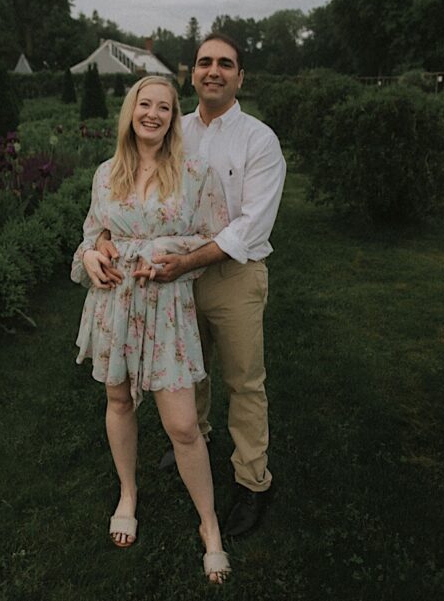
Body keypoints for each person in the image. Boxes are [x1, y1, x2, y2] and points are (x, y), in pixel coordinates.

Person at [94, 33, 286, 538]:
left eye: (225, 64)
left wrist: (181, 261)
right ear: (193, 74)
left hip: (231, 275)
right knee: (185, 372)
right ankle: (190, 439)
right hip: (167, 284)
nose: (213, 71)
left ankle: (250, 480)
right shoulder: (174, 130)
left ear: (240, 76)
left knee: (243, 380)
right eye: (204, 63)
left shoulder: (258, 139)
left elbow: (250, 226)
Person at [72, 76, 232, 583]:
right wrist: (93, 254)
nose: (154, 114)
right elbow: (92, 232)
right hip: (115, 303)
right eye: (146, 104)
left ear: (173, 116)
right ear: (131, 110)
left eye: (165, 107)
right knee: (118, 401)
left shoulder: (195, 172)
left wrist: (170, 254)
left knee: (183, 424)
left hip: (166, 306)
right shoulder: (107, 173)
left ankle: (210, 526)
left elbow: (214, 236)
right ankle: (127, 493)